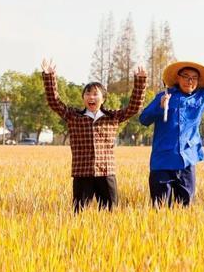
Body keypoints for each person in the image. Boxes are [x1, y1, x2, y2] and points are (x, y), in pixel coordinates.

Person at [139, 39, 204, 207]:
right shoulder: (164, 97)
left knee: (186, 207)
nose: (190, 81)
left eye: (194, 78)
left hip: (187, 160)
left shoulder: (201, 97)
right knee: (160, 207)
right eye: (186, 77)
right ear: (178, 78)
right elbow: (144, 120)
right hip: (162, 161)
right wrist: (159, 107)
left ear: (198, 81)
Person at [41, 59, 147, 212]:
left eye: (95, 94)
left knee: (111, 213)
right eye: (88, 94)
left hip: (106, 171)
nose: (91, 97)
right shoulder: (74, 117)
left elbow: (134, 106)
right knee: (79, 213)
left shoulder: (112, 117)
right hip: (82, 172)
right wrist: (49, 77)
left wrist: (140, 82)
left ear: (103, 98)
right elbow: (54, 102)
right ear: (83, 98)